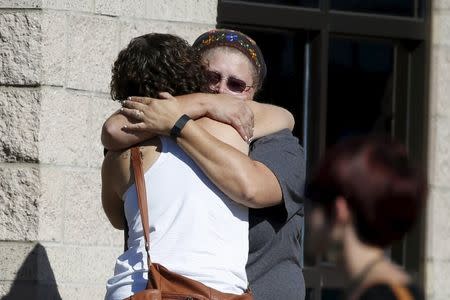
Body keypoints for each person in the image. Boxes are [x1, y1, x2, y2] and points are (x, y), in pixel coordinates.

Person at [102, 29, 306, 300]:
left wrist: (179, 122)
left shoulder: (280, 145)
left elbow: (251, 188)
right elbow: (112, 128)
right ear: (191, 78)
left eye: (236, 85)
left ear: (254, 92)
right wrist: (193, 111)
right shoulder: (149, 133)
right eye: (211, 78)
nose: (222, 91)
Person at [306, 136, 426, 300]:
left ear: (340, 210)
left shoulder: (382, 295)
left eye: (315, 199)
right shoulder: (372, 287)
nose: (308, 214)